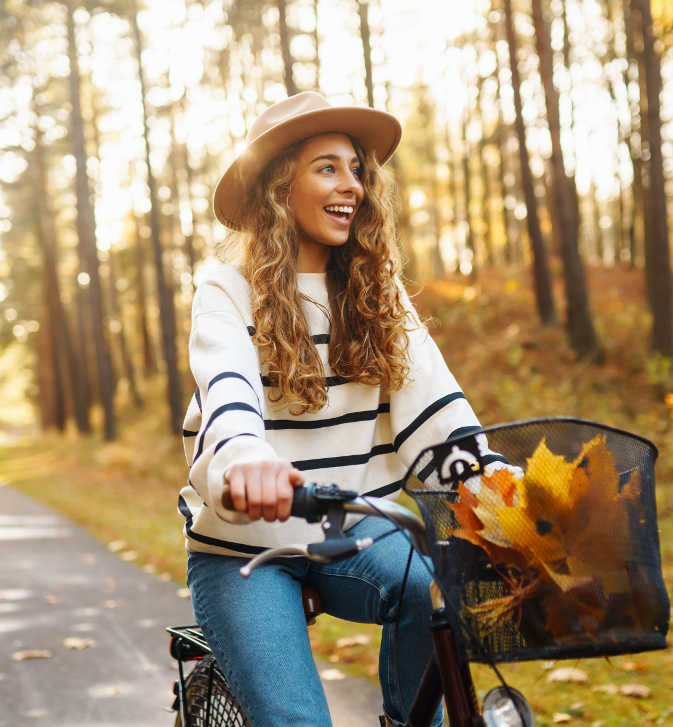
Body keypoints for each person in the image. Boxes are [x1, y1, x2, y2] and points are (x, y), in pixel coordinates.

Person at [180, 92, 506, 727]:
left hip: (348, 527)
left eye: (357, 169)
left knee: (427, 588)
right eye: (327, 167)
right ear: (278, 187)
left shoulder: (375, 293)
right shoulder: (227, 290)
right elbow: (229, 392)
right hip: (246, 544)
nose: (351, 185)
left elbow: (437, 415)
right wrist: (246, 460)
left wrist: (495, 483)